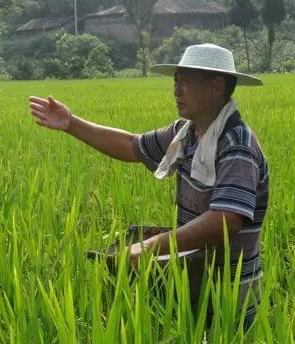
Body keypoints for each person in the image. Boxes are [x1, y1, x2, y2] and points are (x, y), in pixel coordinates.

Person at [29, 44, 268, 328]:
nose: (176, 91)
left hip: (230, 293)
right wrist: (71, 123)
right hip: (194, 277)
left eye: (186, 82)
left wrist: (151, 247)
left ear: (216, 87)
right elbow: (132, 145)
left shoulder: (235, 143)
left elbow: (226, 221)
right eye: (175, 81)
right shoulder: (187, 133)